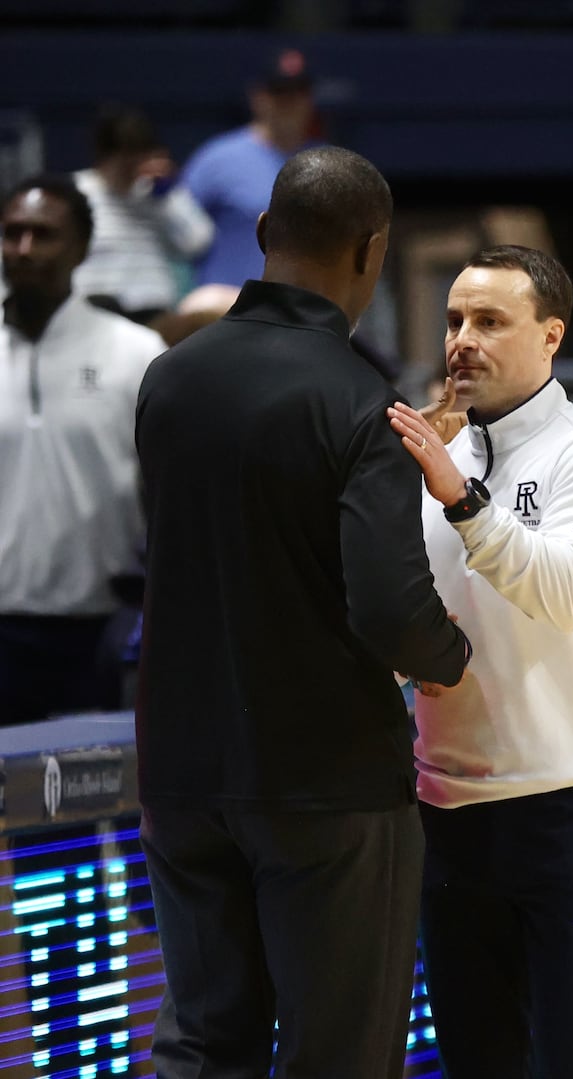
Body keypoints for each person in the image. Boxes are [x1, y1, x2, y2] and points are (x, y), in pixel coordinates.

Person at [135, 146, 471, 1078]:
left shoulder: (169, 379)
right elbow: (392, 611)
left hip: (180, 771)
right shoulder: (359, 399)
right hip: (325, 785)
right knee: (339, 1056)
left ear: (258, 235)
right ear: (372, 250)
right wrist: (456, 654)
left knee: (205, 1042)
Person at [385, 244, 573, 1077]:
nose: (462, 339)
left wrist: (460, 501)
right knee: (478, 1062)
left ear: (550, 337)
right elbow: (403, 608)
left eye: (491, 321)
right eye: (456, 319)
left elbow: (564, 591)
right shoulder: (434, 454)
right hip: (450, 804)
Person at [0, 175, 167, 726]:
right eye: (13, 233)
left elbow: (169, 489)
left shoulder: (135, 353)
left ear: (81, 247)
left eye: (43, 235)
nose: (24, 249)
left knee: (94, 808)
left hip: (98, 634)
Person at [181, 48, 320, 288]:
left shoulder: (328, 163)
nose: (288, 101)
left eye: (298, 92)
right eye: (279, 92)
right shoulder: (217, 158)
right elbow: (175, 227)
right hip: (228, 311)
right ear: (258, 96)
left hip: (301, 315)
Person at [72, 104, 213, 323]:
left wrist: (167, 195)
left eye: (138, 159)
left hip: (152, 310)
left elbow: (198, 242)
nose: (130, 170)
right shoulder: (76, 192)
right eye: (123, 160)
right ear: (104, 156)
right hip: (92, 308)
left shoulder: (158, 195)